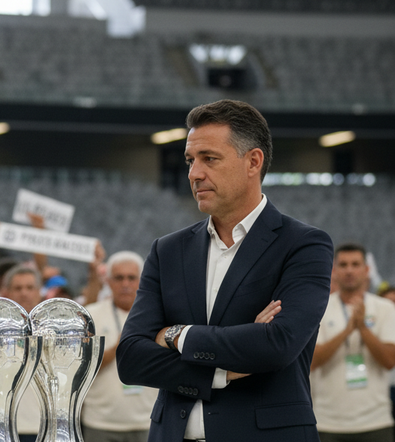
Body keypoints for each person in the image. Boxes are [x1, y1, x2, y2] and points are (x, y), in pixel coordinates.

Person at [116, 99, 334, 442]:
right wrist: (224, 371)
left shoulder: (304, 245)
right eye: (191, 160)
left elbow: (278, 344)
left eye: (209, 159)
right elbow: (130, 358)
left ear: (253, 161)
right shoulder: (167, 250)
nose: (193, 173)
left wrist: (176, 336)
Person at [311, 243, 395, 442]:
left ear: (366, 270)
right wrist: (348, 330)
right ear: (334, 271)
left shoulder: (385, 308)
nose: (349, 270)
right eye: (344, 265)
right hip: (328, 422)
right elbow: (312, 360)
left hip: (376, 421)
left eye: (355, 264)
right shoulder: (320, 308)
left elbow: (389, 361)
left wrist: (363, 329)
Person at [82, 251, 158, 442]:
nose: (125, 284)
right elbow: (82, 369)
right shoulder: (92, 315)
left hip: (147, 422)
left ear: (141, 280)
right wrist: (119, 346)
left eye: (131, 278)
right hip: (100, 423)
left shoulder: (157, 315)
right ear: (108, 281)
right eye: (119, 278)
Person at [2, 264, 43, 442]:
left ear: (39, 291)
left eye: (30, 287)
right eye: (18, 288)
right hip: (4, 427)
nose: (24, 293)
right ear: (6, 292)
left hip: (43, 426)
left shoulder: (52, 329)